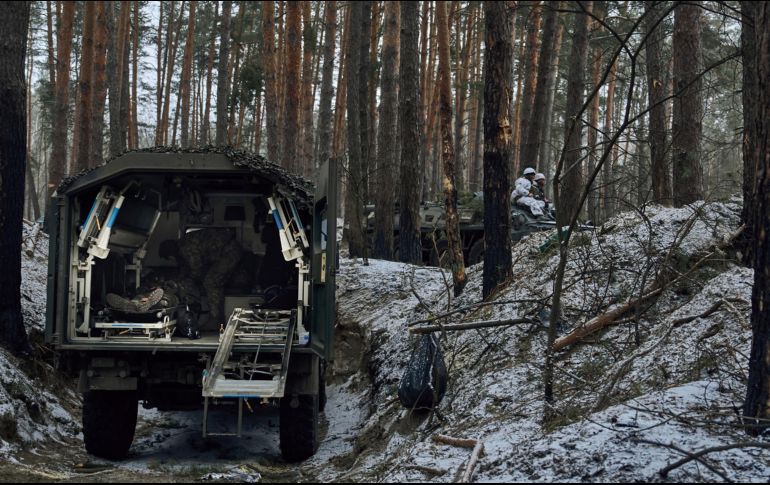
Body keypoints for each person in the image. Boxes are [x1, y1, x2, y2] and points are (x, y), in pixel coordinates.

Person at [159, 228, 243, 326]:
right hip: (226, 251)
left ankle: (215, 320)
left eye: (169, 258)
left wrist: (185, 280)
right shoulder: (184, 243)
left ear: (171, 254)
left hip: (229, 252)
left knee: (211, 282)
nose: (172, 260)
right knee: (210, 279)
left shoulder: (187, 248)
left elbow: (197, 270)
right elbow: (189, 267)